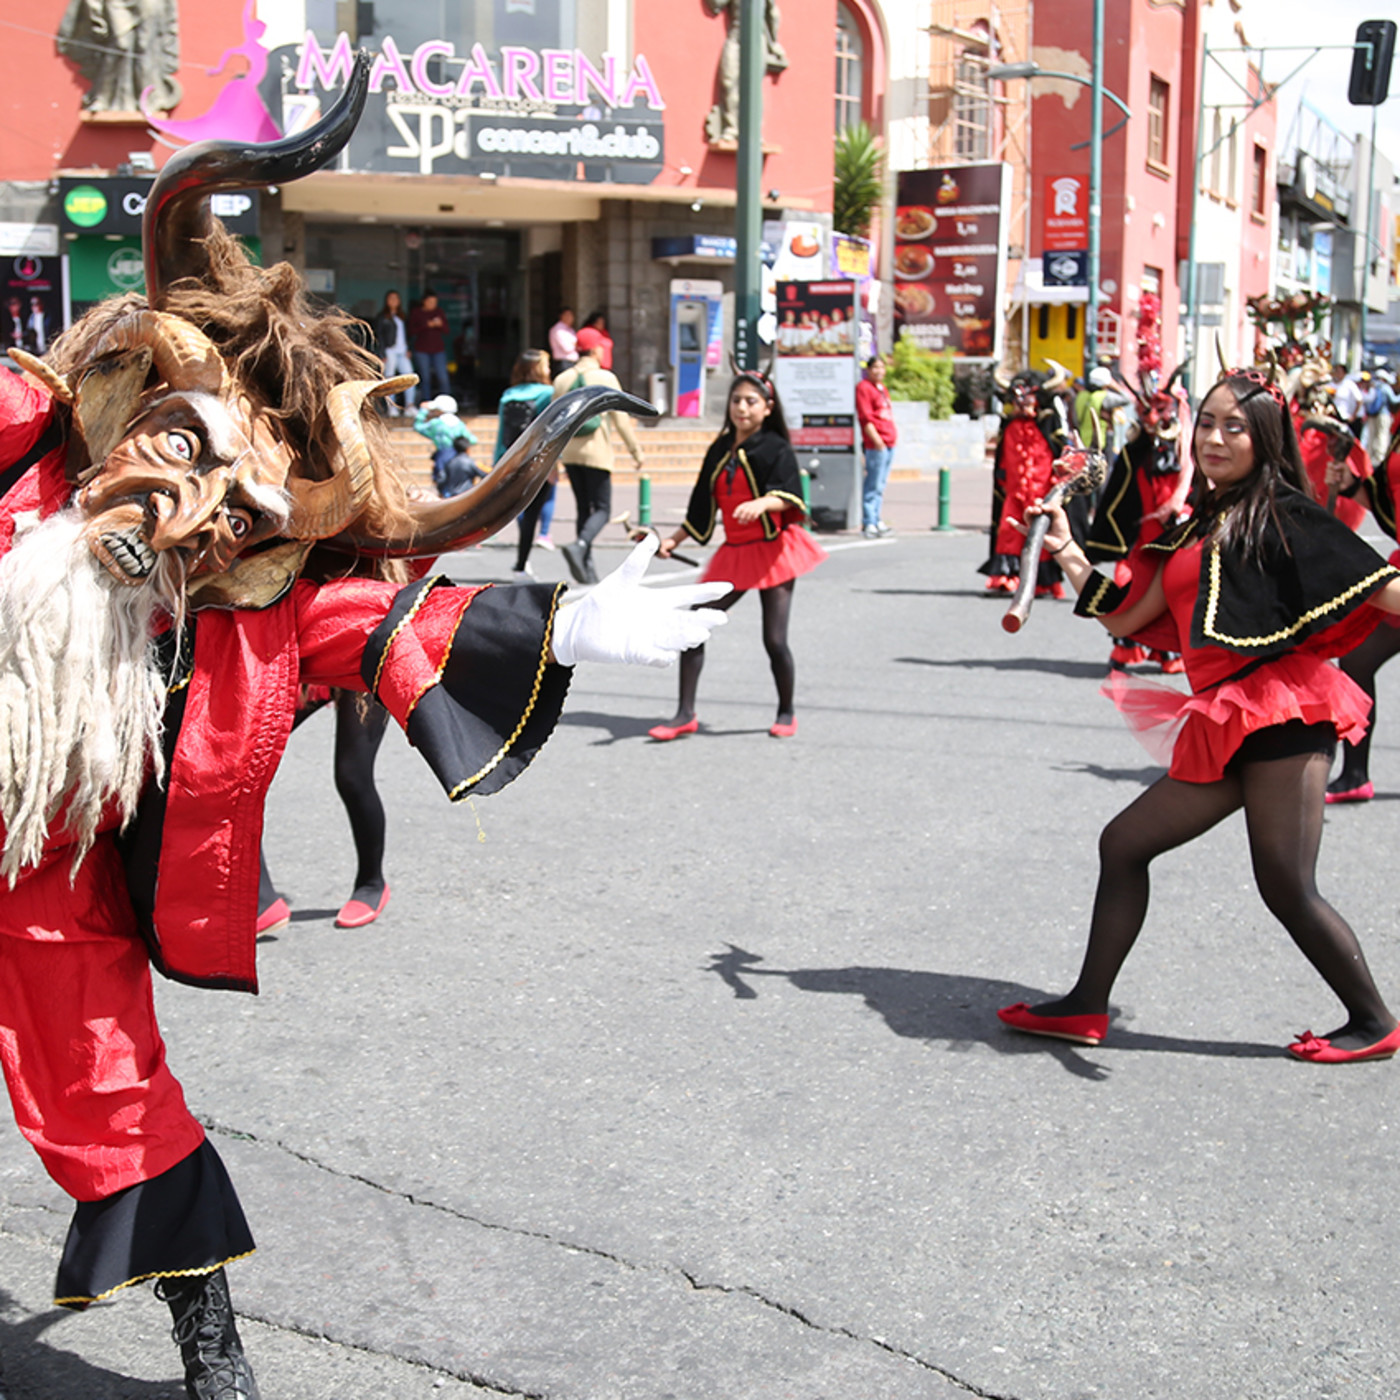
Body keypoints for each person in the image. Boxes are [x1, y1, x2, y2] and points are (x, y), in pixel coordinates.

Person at [0, 81, 732, 1397]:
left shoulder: (258, 594)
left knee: (118, 1095)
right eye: (180, 449)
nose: (181, 515)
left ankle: (209, 1351)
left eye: (239, 517)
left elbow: (394, 619)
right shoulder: (24, 435)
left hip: (45, 878)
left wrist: (564, 626)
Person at [997, 367, 1400, 1063]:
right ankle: (1087, 1005)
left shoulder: (1284, 513)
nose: (1213, 437)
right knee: (1124, 844)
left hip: (1282, 715)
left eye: (1233, 426)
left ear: (1264, 438)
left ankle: (1374, 1023)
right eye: (1206, 422)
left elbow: (1384, 589)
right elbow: (1128, 613)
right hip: (1228, 721)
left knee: (1287, 887)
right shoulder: (1200, 524)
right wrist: (1066, 547)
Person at [650, 370, 827, 741]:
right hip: (735, 552)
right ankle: (684, 714)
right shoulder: (719, 449)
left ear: (767, 408)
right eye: (736, 401)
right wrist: (673, 541)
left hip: (775, 550)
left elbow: (791, 496)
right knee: (694, 626)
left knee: (774, 640)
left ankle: (786, 710)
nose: (742, 408)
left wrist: (763, 503)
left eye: (751, 401)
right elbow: (701, 508)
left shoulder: (776, 447)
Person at [553, 330, 644, 584]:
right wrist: (635, 451)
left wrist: (553, 457)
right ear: (595, 350)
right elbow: (621, 419)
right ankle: (580, 545)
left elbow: (554, 419)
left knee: (584, 507)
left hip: (570, 452)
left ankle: (586, 565)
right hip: (596, 452)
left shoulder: (562, 379)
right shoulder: (605, 377)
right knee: (603, 509)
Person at [498, 349, 558, 579]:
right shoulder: (547, 393)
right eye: (547, 365)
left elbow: (502, 433)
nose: (550, 370)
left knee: (519, 509)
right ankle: (522, 564)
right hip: (539, 460)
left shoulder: (508, 394)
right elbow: (550, 431)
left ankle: (521, 564)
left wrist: (499, 463)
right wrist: (554, 464)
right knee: (534, 511)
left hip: (513, 459)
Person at [855, 355, 897, 538]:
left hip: (889, 442)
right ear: (869, 369)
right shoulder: (864, 388)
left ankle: (876, 518)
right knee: (872, 483)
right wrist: (876, 440)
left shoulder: (882, 388)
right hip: (877, 444)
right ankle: (868, 522)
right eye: (875, 367)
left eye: (882, 367)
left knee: (880, 484)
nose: (879, 371)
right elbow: (865, 417)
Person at [414, 394, 476, 484]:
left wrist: (423, 411)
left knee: (442, 484)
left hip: (442, 459)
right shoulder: (460, 424)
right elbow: (473, 440)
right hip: (458, 460)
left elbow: (418, 426)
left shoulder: (436, 424)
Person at [374, 289, 414, 414]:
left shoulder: (403, 316)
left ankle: (410, 406)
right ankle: (392, 407)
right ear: (386, 301)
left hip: (403, 350)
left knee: (410, 376)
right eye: (391, 298)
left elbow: (408, 334)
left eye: (396, 298)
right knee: (390, 379)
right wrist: (382, 353)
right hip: (390, 350)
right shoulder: (382, 317)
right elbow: (379, 336)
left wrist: (409, 348)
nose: (394, 301)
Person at [408, 289, 450, 400]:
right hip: (421, 350)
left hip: (438, 350)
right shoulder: (416, 313)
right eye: (430, 302)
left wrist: (439, 325)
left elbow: (446, 330)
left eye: (435, 302)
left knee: (443, 377)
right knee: (425, 378)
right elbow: (411, 331)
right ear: (424, 301)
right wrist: (426, 325)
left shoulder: (439, 312)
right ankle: (426, 403)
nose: (433, 305)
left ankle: (446, 403)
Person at [548, 307, 578, 378]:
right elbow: (567, 348)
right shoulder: (558, 329)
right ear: (561, 316)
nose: (570, 318)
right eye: (567, 315)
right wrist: (576, 344)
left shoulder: (570, 329)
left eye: (571, 315)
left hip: (572, 362)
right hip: (563, 363)